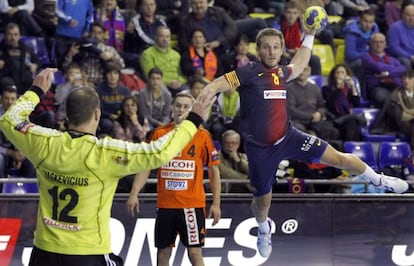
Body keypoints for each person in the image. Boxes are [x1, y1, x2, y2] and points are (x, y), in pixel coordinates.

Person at [201, 27, 409, 258]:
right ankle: (263, 228)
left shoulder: (282, 72)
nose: (271, 51)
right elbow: (216, 85)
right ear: (258, 50)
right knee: (261, 203)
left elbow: (299, 63)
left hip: (289, 137)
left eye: (276, 47)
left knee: (339, 158)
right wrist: (202, 101)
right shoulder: (248, 72)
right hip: (260, 150)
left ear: (281, 50)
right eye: (266, 47)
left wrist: (309, 34)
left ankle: (379, 180)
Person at [0, 68, 216, 266]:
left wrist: (35, 91)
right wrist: (193, 119)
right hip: (87, 253)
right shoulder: (106, 153)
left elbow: (9, 120)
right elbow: (158, 152)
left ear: (66, 115)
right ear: (97, 114)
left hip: (43, 253)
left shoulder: (43, 142)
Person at [126, 91, 221, 266]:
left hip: (191, 205)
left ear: (192, 110)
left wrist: (216, 203)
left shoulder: (202, 136)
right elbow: (146, 165)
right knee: (163, 252)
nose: (181, 110)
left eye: (186, 107)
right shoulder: (159, 134)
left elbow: (214, 171)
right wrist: (134, 193)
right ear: (172, 107)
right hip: (166, 205)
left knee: (194, 253)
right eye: (178, 106)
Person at [287, 65, 340, 142]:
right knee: (300, 132)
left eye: (305, 70)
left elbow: (322, 106)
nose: (302, 72)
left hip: (315, 120)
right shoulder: (289, 88)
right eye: (300, 69)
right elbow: (291, 110)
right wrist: (311, 116)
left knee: (332, 131)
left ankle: (325, 153)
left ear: (309, 71)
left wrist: (319, 113)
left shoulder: (315, 88)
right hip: (297, 121)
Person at [322, 63, 366, 141]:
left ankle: (348, 147)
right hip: (333, 119)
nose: (340, 75)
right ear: (334, 75)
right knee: (353, 119)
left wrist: (353, 87)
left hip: (346, 119)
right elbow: (329, 104)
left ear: (346, 75)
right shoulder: (326, 89)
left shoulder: (348, 90)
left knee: (352, 122)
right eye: (337, 72)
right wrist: (338, 89)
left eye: (342, 72)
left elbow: (357, 104)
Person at [139, 25, 187, 96]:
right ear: (156, 37)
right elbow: (148, 76)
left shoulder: (176, 54)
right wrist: (168, 83)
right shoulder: (147, 54)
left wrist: (180, 81)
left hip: (179, 85)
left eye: (167, 37)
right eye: (162, 36)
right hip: (160, 86)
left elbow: (183, 74)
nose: (165, 39)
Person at [372, 70, 414, 150]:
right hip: (399, 125)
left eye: (410, 78)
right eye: (404, 78)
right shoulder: (395, 96)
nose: (406, 80)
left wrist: (408, 113)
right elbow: (400, 116)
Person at [362, 32, 405, 108]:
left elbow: (402, 69)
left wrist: (388, 73)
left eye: (381, 42)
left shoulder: (392, 59)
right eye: (376, 42)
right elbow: (378, 67)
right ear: (370, 44)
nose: (379, 45)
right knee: (383, 97)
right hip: (378, 87)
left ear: (385, 44)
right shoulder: (367, 58)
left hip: (395, 86)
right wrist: (394, 70)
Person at [0, 22, 40, 95]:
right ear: (5, 35)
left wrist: (35, 65)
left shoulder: (26, 49)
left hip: (25, 79)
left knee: (38, 86)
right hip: (8, 79)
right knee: (9, 85)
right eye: (10, 34)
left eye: (15, 34)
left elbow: (38, 62)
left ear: (19, 36)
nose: (13, 38)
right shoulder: (1, 50)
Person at [387, 3, 414, 70]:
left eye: (413, 15)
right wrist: (410, 56)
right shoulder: (395, 27)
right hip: (400, 56)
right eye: (408, 15)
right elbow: (394, 48)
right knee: (406, 62)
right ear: (402, 15)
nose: (411, 18)